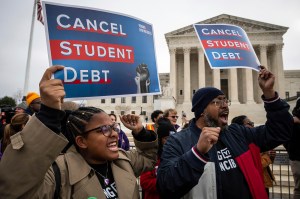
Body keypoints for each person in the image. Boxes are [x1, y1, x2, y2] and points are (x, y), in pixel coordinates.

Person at [0, 66, 158, 199]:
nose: (115, 134)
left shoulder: (123, 159)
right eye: (104, 129)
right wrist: (48, 115)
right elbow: (14, 189)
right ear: (81, 141)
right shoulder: (59, 173)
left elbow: (148, 159)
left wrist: (140, 132)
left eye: (113, 127)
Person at [157, 66, 293, 199]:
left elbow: (279, 132)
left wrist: (270, 94)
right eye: (216, 102)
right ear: (202, 111)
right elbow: (166, 186)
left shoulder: (237, 133)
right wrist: (197, 153)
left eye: (225, 100)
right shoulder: (178, 141)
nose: (224, 105)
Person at [231, 115, 276, 197]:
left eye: (252, 123)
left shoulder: (254, 140)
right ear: (240, 128)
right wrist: (267, 157)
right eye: (249, 123)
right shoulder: (241, 146)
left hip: (263, 181)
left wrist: (271, 156)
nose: (252, 125)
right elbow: (254, 165)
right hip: (254, 183)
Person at [140, 118, 176, 199]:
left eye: (173, 138)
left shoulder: (179, 156)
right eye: (166, 138)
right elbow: (144, 182)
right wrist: (166, 183)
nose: (170, 141)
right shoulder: (151, 157)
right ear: (160, 139)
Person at [284, 98, 300, 199]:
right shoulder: (293, 121)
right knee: (298, 189)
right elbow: (285, 138)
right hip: (297, 158)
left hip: (295, 157)